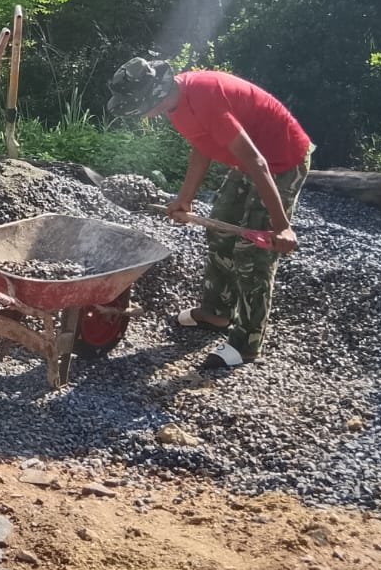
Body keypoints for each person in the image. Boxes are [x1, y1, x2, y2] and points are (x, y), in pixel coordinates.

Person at [107, 57, 312, 369]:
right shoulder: (176, 103)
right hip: (248, 161)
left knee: (252, 252)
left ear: (153, 96)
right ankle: (216, 313)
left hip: (281, 160)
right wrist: (185, 198)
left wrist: (282, 226)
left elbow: (258, 162)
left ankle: (247, 343)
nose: (140, 115)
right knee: (219, 229)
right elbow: (202, 146)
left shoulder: (205, 98)